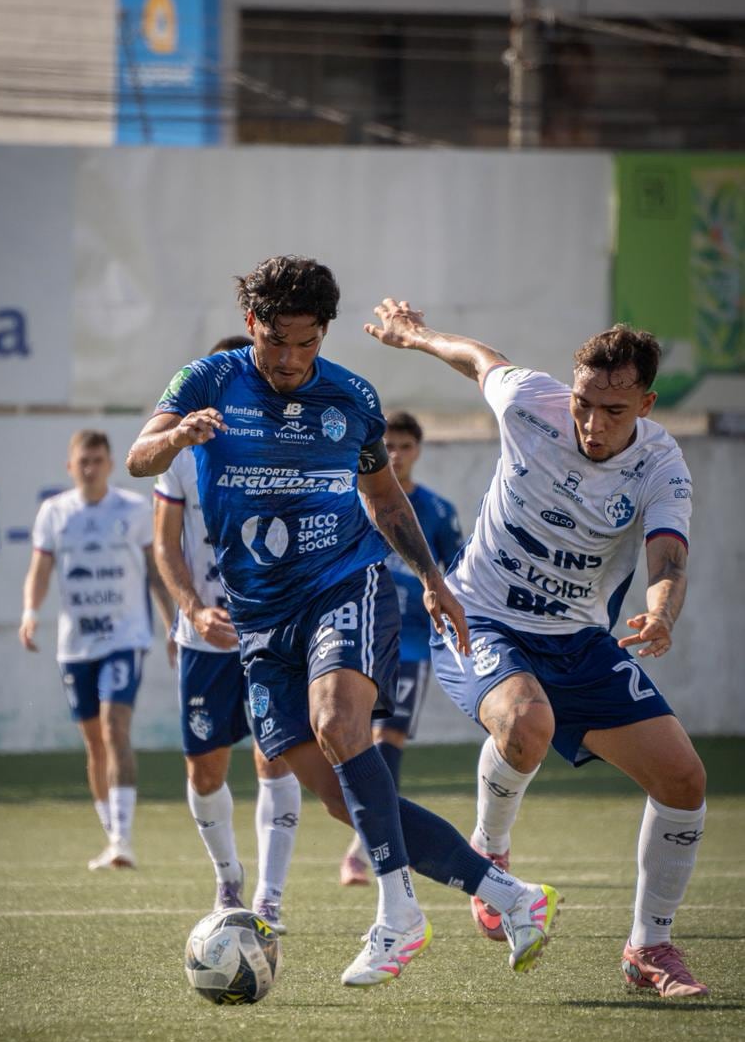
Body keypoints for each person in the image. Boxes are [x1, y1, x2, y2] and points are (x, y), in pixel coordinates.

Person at [126, 255, 560, 987]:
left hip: (343, 586)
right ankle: (510, 895)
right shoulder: (206, 382)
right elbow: (140, 458)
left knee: (338, 723)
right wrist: (175, 439)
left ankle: (399, 916)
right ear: (250, 326)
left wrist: (431, 580)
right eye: (276, 342)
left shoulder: (352, 398)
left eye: (307, 343)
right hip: (259, 620)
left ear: (324, 333)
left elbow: (386, 502)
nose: (292, 360)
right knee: (339, 794)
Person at [365, 298, 708, 998]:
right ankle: (489, 851)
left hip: (577, 638)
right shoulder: (531, 402)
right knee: (526, 724)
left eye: (614, 410)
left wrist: (662, 610)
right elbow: (480, 359)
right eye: (585, 402)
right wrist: (416, 336)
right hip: (478, 615)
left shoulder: (660, 463)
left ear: (644, 403)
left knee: (684, 781)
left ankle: (649, 947)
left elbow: (666, 553)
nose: (592, 422)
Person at [154, 335, 301, 934]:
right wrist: (191, 611)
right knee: (204, 772)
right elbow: (165, 544)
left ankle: (268, 898)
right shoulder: (183, 453)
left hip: (274, 637)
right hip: (205, 643)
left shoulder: (293, 446)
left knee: (277, 760)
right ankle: (228, 879)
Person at [20, 428, 176, 870]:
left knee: (114, 728)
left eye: (98, 460)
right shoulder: (54, 513)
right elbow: (40, 569)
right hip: (76, 643)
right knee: (94, 743)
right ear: (70, 467)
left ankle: (124, 838)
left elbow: (153, 570)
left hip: (125, 637)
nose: (90, 468)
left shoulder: (132, 508)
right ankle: (111, 836)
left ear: (110, 464)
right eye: (82, 462)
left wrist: (171, 625)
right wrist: (31, 611)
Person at [340, 409, 463, 886]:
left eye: (405, 447)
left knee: (387, 739)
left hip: (410, 641)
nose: (395, 455)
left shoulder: (435, 510)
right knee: (351, 740)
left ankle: (363, 846)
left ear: (418, 450)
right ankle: (372, 836)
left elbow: (456, 572)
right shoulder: (354, 501)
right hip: (359, 631)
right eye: (387, 446)